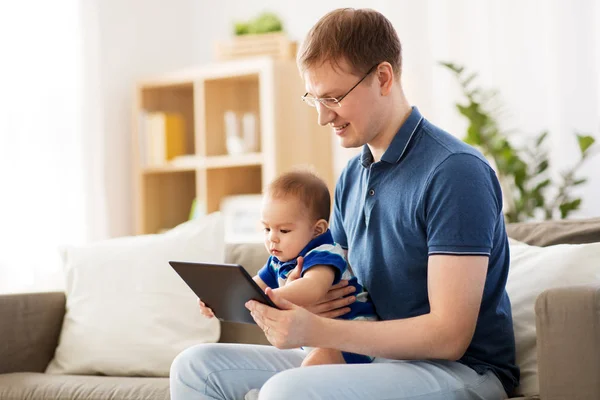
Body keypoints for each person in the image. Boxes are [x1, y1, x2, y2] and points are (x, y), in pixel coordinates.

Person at [170, 7, 519, 400]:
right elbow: (338, 287)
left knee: (289, 392)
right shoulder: (353, 177)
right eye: (314, 99)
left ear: (383, 78)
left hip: (461, 371)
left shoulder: (455, 172)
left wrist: (315, 329)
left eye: (334, 97)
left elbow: (448, 337)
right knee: (196, 367)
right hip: (369, 358)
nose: (322, 117)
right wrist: (285, 299)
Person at [198, 169, 377, 368]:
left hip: (352, 337)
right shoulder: (278, 260)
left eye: (283, 230)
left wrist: (270, 298)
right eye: (267, 228)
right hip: (315, 341)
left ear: (317, 229)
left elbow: (312, 287)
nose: (272, 238)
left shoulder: (324, 253)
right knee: (309, 364)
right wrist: (219, 300)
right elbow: (251, 289)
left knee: (313, 365)